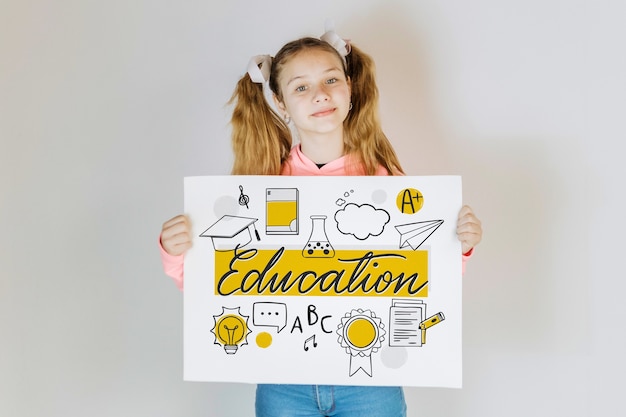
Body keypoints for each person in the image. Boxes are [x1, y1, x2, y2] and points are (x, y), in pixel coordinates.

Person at [159, 28, 482, 417]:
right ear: (279, 102)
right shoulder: (260, 188)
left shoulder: (387, 184)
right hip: (284, 380)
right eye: (301, 88)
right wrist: (176, 252)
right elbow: (218, 287)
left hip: (370, 381)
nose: (320, 94)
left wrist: (458, 244)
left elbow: (423, 279)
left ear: (349, 87)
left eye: (331, 80)